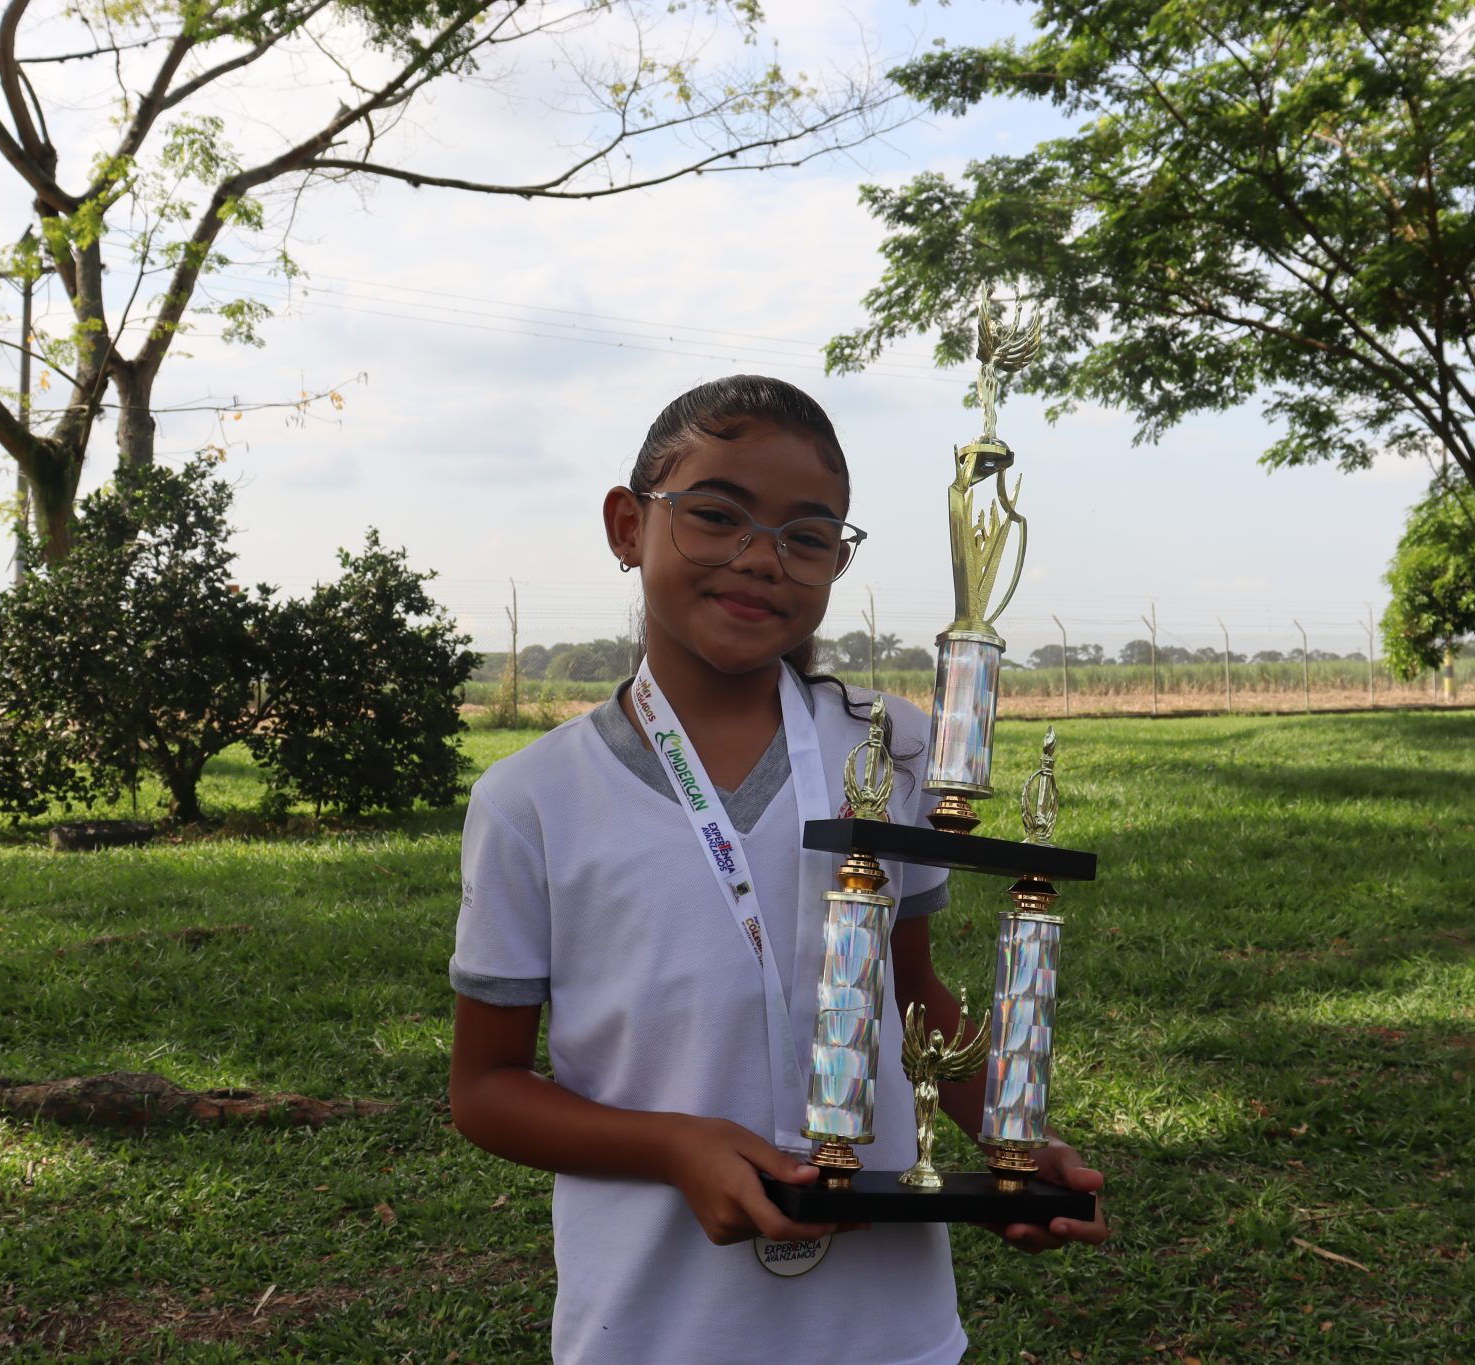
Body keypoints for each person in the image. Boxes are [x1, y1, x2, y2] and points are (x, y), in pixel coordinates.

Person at [448, 375, 1106, 1364]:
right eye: (715, 515)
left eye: (808, 536)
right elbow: (486, 1087)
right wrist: (674, 1148)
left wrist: (1007, 1151)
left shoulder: (896, 751)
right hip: (654, 1324)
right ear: (628, 527)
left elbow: (910, 985)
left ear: (837, 561)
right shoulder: (531, 799)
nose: (761, 560)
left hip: (886, 1327)